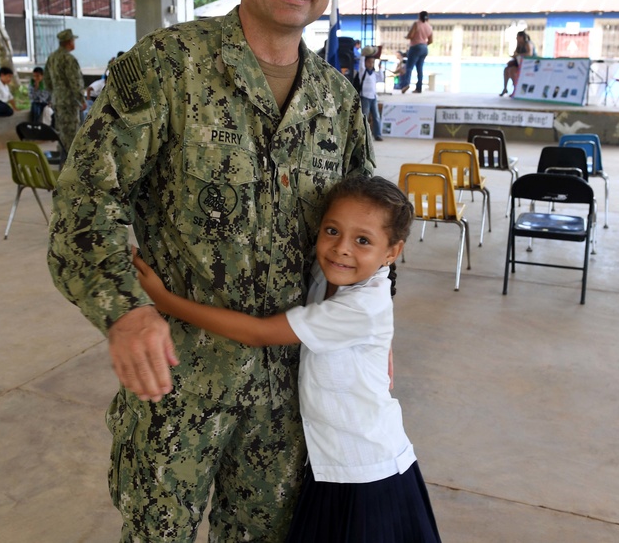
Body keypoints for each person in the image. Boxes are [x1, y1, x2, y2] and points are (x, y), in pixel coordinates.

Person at [47, 0, 374, 541]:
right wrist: (124, 310)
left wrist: (370, 334)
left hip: (288, 391)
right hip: (177, 381)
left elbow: (373, 231)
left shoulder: (337, 100)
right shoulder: (168, 67)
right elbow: (86, 198)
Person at [133, 176, 440, 541]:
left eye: (363, 241)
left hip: (366, 471)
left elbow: (259, 333)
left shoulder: (362, 306)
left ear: (392, 251)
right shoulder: (325, 275)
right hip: (331, 466)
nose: (341, 248)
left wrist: (165, 302)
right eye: (331, 230)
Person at [44, 29, 84, 149]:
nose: (74, 43)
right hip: (69, 102)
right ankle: (70, 162)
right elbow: (75, 82)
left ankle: (62, 158)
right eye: (73, 40)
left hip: (58, 100)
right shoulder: (69, 59)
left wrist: (55, 93)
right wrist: (81, 99)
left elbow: (46, 79)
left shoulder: (52, 58)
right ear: (69, 42)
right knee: (71, 133)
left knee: (61, 131)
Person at [352, 46, 385, 141]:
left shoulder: (374, 73)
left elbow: (381, 78)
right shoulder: (363, 72)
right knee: (365, 117)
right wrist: (363, 55)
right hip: (365, 97)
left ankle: (377, 134)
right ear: (365, 63)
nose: (371, 64)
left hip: (373, 97)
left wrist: (380, 69)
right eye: (369, 62)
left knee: (376, 117)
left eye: (372, 62)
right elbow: (361, 65)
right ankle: (363, 135)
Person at [400, 11, 432, 94]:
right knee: (420, 68)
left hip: (415, 47)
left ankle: (406, 84)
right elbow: (431, 40)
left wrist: (406, 36)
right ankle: (419, 88)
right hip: (424, 48)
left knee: (409, 67)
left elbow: (411, 35)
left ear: (419, 16)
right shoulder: (429, 26)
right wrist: (423, 44)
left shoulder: (416, 24)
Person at [501, 30, 536, 96]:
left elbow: (529, 54)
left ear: (521, 37)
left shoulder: (528, 43)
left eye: (517, 37)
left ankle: (515, 90)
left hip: (529, 64)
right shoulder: (519, 45)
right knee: (506, 69)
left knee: (512, 70)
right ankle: (505, 88)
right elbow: (516, 54)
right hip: (521, 63)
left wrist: (519, 55)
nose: (516, 39)